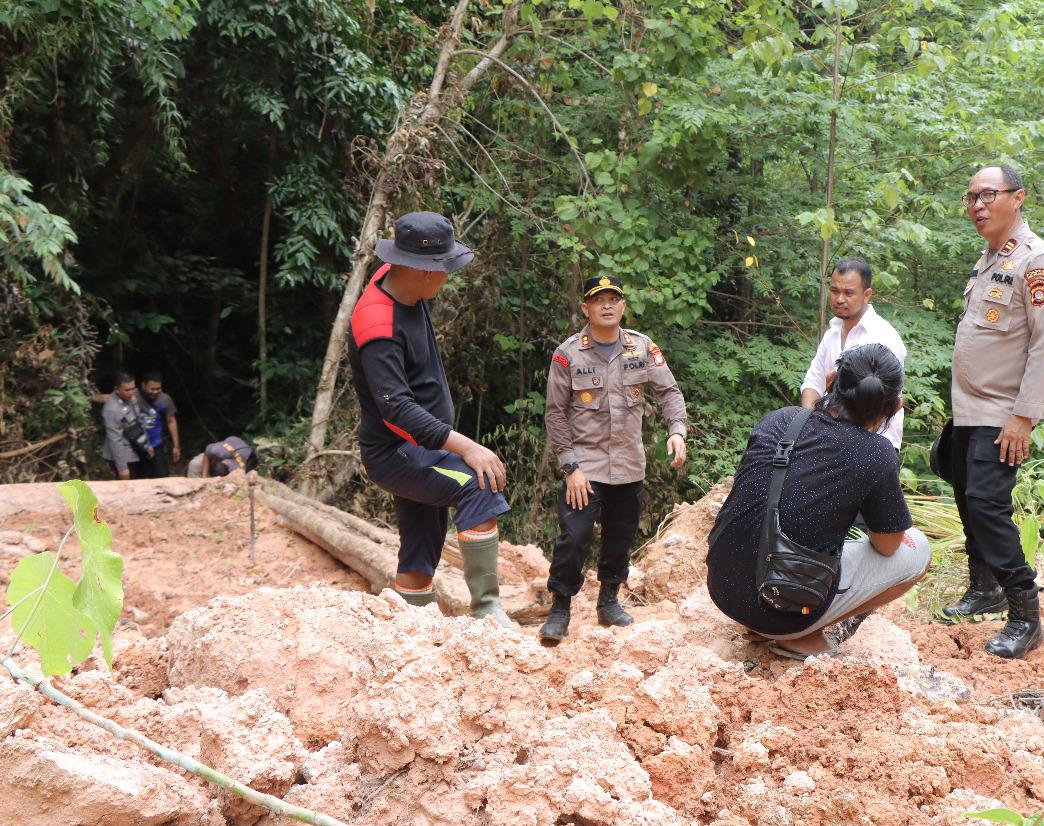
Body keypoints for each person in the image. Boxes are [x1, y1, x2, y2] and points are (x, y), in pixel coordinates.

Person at [706, 345, 930, 658]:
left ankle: (777, 621)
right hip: (779, 608)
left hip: (722, 587)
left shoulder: (779, 420)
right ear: (895, 408)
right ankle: (801, 633)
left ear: (830, 380)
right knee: (918, 550)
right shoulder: (877, 454)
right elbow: (888, 546)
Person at [346, 211, 514, 627]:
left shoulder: (402, 280)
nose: (449, 277)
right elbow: (396, 409)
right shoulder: (377, 325)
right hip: (399, 450)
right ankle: (489, 613)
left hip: (422, 448)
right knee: (478, 484)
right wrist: (466, 446)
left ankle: (408, 628)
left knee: (421, 549)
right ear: (422, 271)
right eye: (445, 269)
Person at [942, 163, 1044, 659]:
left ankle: (1025, 614)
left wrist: (1024, 415)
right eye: (971, 197)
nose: (977, 205)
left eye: (987, 195)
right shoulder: (991, 257)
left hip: (1002, 411)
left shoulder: (1038, 262)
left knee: (989, 506)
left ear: (1018, 198)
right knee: (967, 497)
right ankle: (984, 588)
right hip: (969, 406)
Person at [539, 274, 689, 644]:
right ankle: (560, 607)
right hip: (584, 467)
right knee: (574, 537)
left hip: (628, 465)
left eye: (614, 299)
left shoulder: (642, 348)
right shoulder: (568, 353)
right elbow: (555, 414)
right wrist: (569, 466)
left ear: (623, 305)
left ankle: (609, 601)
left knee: (620, 537)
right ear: (586, 307)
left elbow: (669, 392)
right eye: (598, 299)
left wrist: (677, 430)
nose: (607, 305)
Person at [799, 257, 907, 452]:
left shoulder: (883, 337)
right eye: (834, 291)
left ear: (867, 295)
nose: (839, 299)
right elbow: (813, 383)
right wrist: (808, 427)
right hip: (828, 440)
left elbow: (884, 402)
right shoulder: (832, 333)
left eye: (848, 293)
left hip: (876, 445)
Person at [100, 372, 152, 480]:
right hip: (124, 456)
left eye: (133, 388)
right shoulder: (112, 409)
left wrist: (147, 445)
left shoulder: (130, 399)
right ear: (117, 389)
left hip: (136, 448)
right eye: (127, 390)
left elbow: (138, 422)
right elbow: (115, 439)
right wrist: (122, 468)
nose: (131, 392)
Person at [139, 373, 180, 477]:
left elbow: (171, 421)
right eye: (152, 389)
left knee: (162, 475)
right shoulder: (132, 395)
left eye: (158, 388)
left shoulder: (165, 399)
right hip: (138, 444)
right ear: (143, 385)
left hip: (157, 444)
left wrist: (176, 446)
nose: (155, 392)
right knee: (142, 476)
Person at [187, 436, 257, 477]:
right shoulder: (217, 451)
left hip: (243, 457)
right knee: (195, 464)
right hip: (212, 457)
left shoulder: (239, 470)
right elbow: (206, 454)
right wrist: (204, 479)